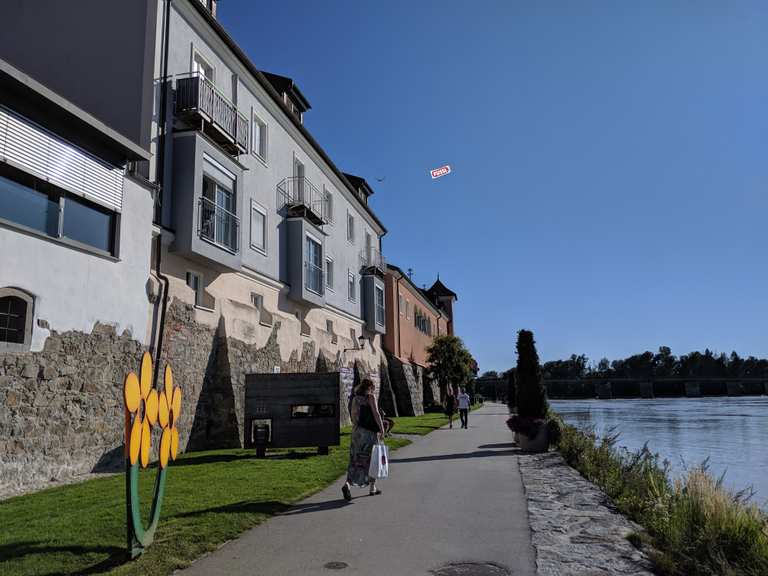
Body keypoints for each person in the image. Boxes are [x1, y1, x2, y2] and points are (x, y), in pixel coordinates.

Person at [343, 378, 386, 501]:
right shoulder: (370, 397)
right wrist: (382, 429)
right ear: (370, 387)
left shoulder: (355, 399)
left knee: (356, 459)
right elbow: (376, 414)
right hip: (369, 433)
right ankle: (372, 487)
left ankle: (348, 484)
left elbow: (353, 416)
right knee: (373, 459)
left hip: (356, 433)